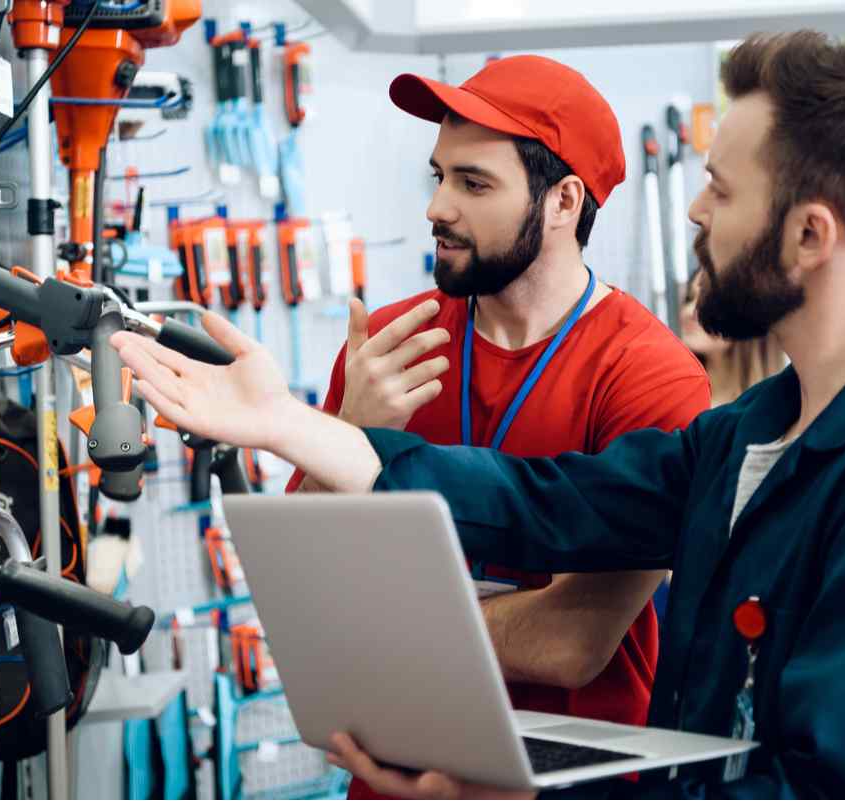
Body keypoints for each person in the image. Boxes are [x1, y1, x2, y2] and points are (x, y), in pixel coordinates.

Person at [114, 31, 845, 798]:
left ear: (808, 234)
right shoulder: (763, 428)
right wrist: (288, 422)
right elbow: (546, 501)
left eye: (719, 188)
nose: (692, 212)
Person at [288, 58, 709, 797]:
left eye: (474, 183)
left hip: (567, 783)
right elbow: (304, 592)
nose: (437, 209)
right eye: (439, 176)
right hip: (392, 776)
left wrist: (379, 636)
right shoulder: (390, 348)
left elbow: (571, 642)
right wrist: (352, 431)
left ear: (563, 201)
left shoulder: (651, 375)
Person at [679, 268, 783, 407]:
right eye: (689, 299)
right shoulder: (677, 399)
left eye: (707, 302)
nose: (689, 312)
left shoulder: (779, 409)